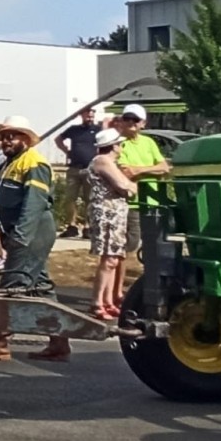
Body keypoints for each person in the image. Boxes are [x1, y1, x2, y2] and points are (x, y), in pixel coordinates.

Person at [0, 115, 56, 364]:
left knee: (12, 286)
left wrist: (21, 237)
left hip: (32, 232)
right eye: (3, 136)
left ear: (25, 138)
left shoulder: (34, 163)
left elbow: (34, 203)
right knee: (41, 287)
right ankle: (59, 341)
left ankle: (0, 344)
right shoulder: (11, 162)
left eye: (12, 136)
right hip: (20, 233)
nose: (6, 141)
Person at [87, 127, 137, 321]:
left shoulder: (110, 162)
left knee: (114, 258)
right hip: (107, 213)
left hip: (116, 213)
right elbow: (124, 186)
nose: (121, 147)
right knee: (108, 259)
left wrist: (130, 186)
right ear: (113, 146)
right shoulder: (102, 161)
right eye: (120, 144)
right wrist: (130, 186)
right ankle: (97, 302)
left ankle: (108, 301)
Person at [114, 103, 170, 263]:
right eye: (127, 118)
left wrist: (138, 170)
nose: (131, 122)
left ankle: (150, 274)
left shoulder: (149, 142)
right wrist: (152, 169)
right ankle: (119, 275)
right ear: (121, 121)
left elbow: (164, 168)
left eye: (135, 119)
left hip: (154, 201)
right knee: (131, 243)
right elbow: (126, 173)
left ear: (143, 123)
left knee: (154, 244)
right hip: (132, 203)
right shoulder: (118, 144)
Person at [54, 108, 99, 238]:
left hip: (90, 168)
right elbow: (58, 139)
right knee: (70, 198)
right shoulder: (74, 129)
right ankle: (71, 225)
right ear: (82, 115)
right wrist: (66, 151)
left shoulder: (98, 130)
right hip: (74, 168)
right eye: (87, 115)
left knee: (89, 198)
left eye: (91, 115)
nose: (89, 117)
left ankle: (87, 226)